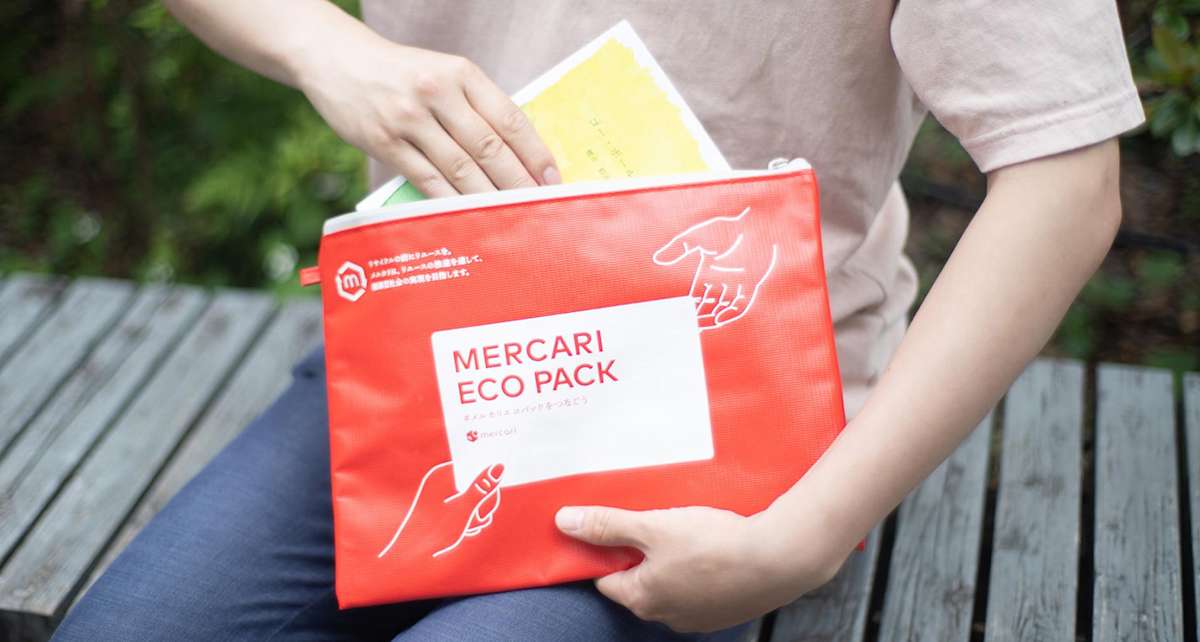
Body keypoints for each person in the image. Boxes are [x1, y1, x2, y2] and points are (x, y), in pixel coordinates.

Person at [53, 1, 1144, 640]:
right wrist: (330, 50)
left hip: (736, 442)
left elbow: (1067, 179)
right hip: (431, 368)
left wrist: (803, 537)